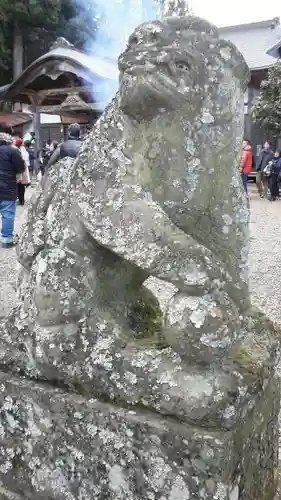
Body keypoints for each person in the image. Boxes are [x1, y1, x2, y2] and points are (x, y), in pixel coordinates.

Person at [0, 124, 25, 248]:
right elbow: (21, 167)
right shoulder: (12, 151)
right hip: (7, 187)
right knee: (7, 214)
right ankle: (6, 240)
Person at [13, 137, 30, 206]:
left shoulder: (15, 151)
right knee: (21, 186)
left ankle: (20, 199)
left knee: (18, 185)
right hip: (23, 170)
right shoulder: (24, 151)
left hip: (18, 171)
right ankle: (21, 200)